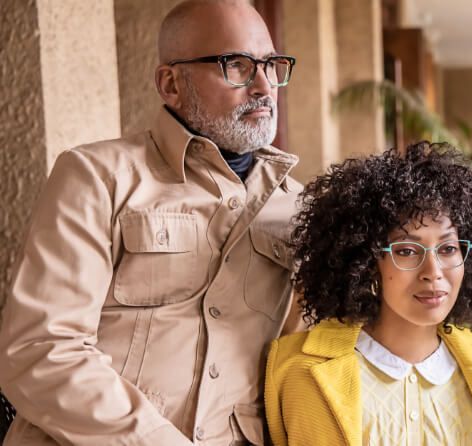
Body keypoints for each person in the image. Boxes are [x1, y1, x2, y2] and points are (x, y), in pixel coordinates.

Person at [0, 1, 302, 444]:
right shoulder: (96, 177)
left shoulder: (298, 208)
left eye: (271, 65)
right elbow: (40, 351)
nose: (263, 85)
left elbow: (306, 363)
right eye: (235, 65)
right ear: (171, 84)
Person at [265, 142, 472, 446]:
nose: (433, 271)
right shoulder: (298, 372)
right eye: (407, 250)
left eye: (448, 248)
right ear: (368, 262)